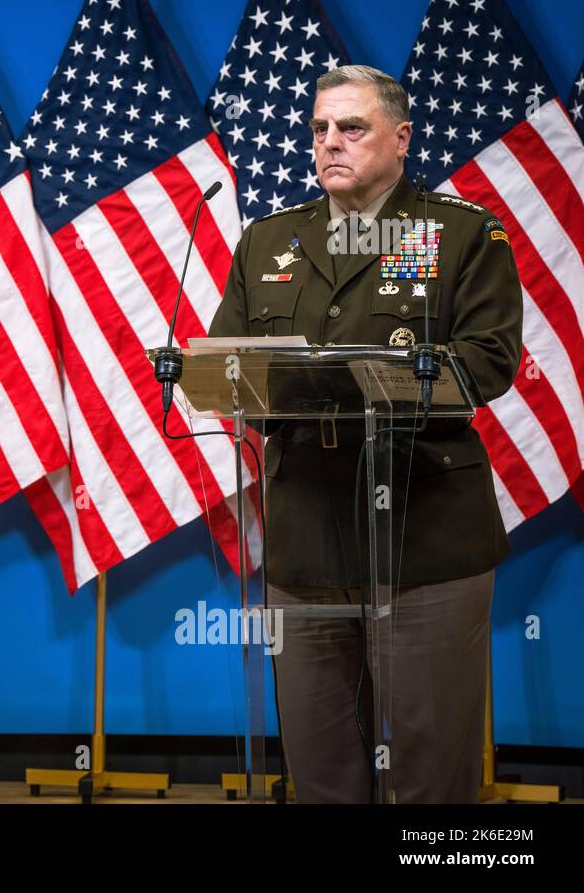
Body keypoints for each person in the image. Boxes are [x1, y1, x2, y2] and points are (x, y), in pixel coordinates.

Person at [208, 64, 522, 802]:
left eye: (352, 127)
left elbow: (489, 359)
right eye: (319, 129)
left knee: (430, 779)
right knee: (321, 774)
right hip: (306, 538)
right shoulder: (266, 242)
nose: (330, 143)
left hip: (425, 536)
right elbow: (228, 366)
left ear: (401, 138)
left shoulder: (459, 233)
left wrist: (355, 380)